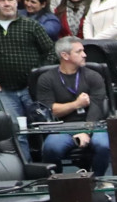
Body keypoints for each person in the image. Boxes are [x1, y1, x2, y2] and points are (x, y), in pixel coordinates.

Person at [32, 37, 111, 176]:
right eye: (79, 51)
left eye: (83, 51)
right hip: (62, 127)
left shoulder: (94, 76)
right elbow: (50, 111)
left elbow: (97, 107)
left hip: (93, 125)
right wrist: (76, 104)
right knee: (51, 148)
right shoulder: (46, 79)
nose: (84, 55)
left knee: (103, 145)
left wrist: (86, 131)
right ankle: (59, 181)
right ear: (65, 55)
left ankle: (97, 180)